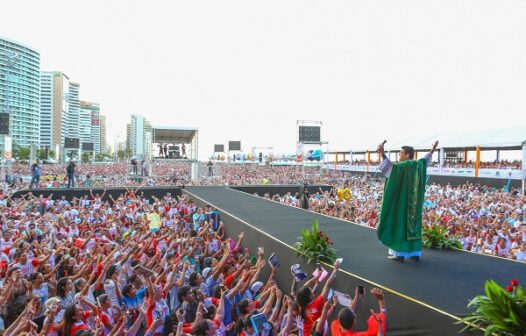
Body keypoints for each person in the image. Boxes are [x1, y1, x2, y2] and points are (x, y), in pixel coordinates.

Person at [376, 140, 438, 262]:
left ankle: (400, 254)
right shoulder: (419, 165)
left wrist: (382, 154)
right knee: (414, 226)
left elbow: (390, 169)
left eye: (401, 153)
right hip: (415, 207)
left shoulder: (402, 167)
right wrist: (433, 149)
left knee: (401, 225)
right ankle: (415, 254)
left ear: (408, 155)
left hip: (403, 205)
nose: (399, 156)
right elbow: (426, 159)